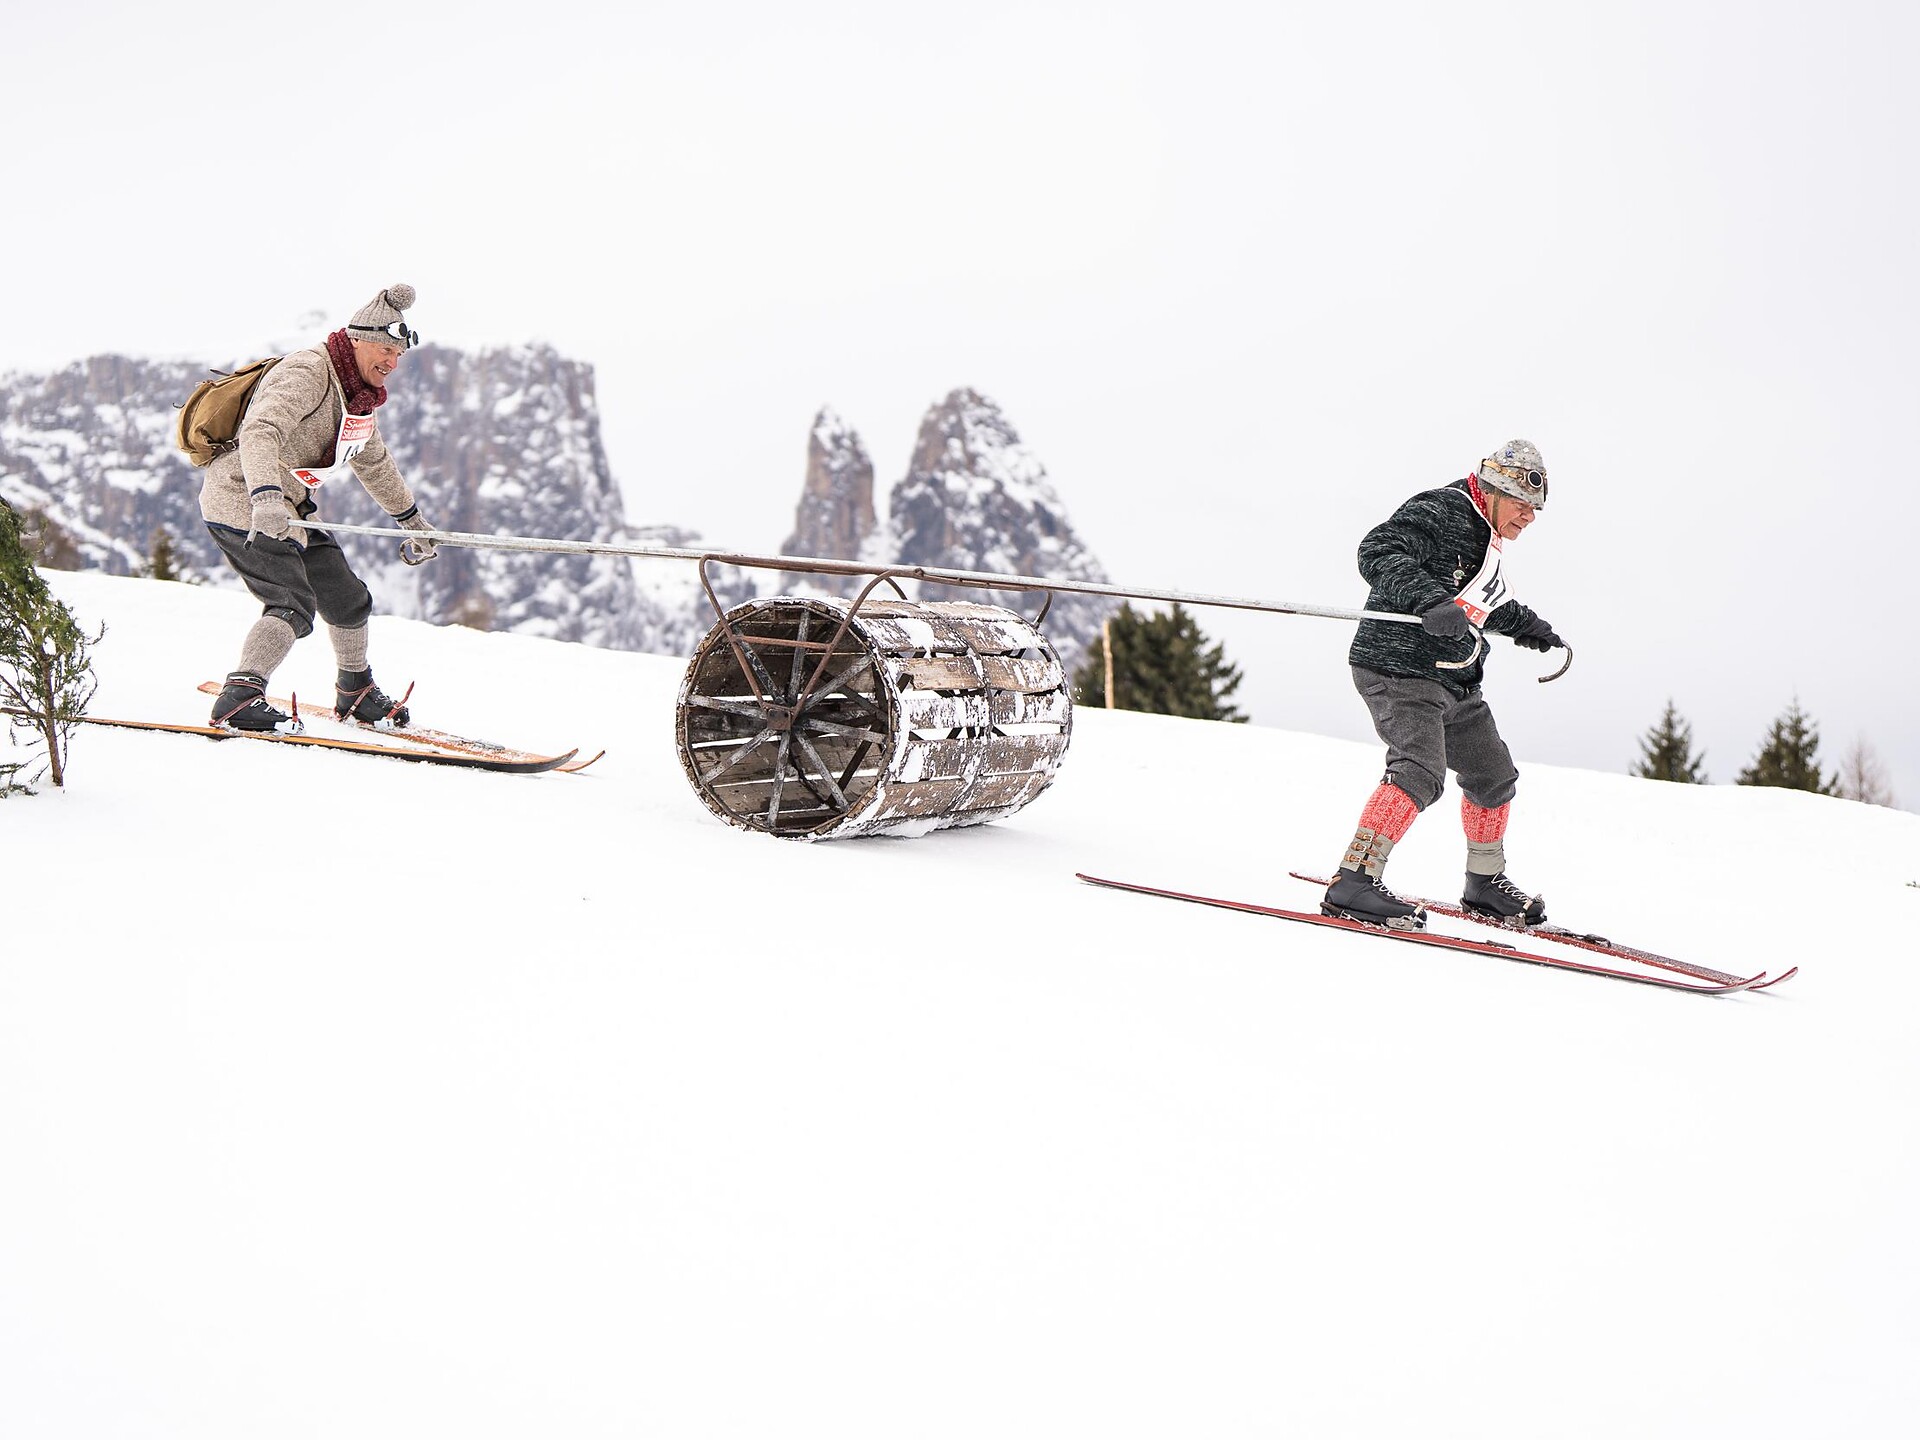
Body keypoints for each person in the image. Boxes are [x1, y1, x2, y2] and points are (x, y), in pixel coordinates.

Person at [1321, 439, 1566, 930]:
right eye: (1524, 505)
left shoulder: (1485, 537)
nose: (1530, 518)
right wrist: (1429, 599)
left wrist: (1528, 625)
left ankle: (1484, 884)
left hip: (1455, 680)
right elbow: (1378, 549)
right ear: (1497, 490)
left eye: (1536, 510)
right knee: (1419, 769)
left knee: (1493, 774)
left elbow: (1479, 602)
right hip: (1400, 668)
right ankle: (1354, 881)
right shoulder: (1443, 508)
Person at [200, 283, 440, 733]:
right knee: (291, 602)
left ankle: (356, 692)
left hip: (289, 510)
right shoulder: (310, 371)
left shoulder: (358, 395)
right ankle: (239, 698)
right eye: (386, 350)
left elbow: (373, 461)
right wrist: (266, 496)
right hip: (242, 502)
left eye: (398, 356)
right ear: (356, 339)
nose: (392, 363)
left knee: (347, 599)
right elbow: (261, 431)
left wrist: (413, 521)